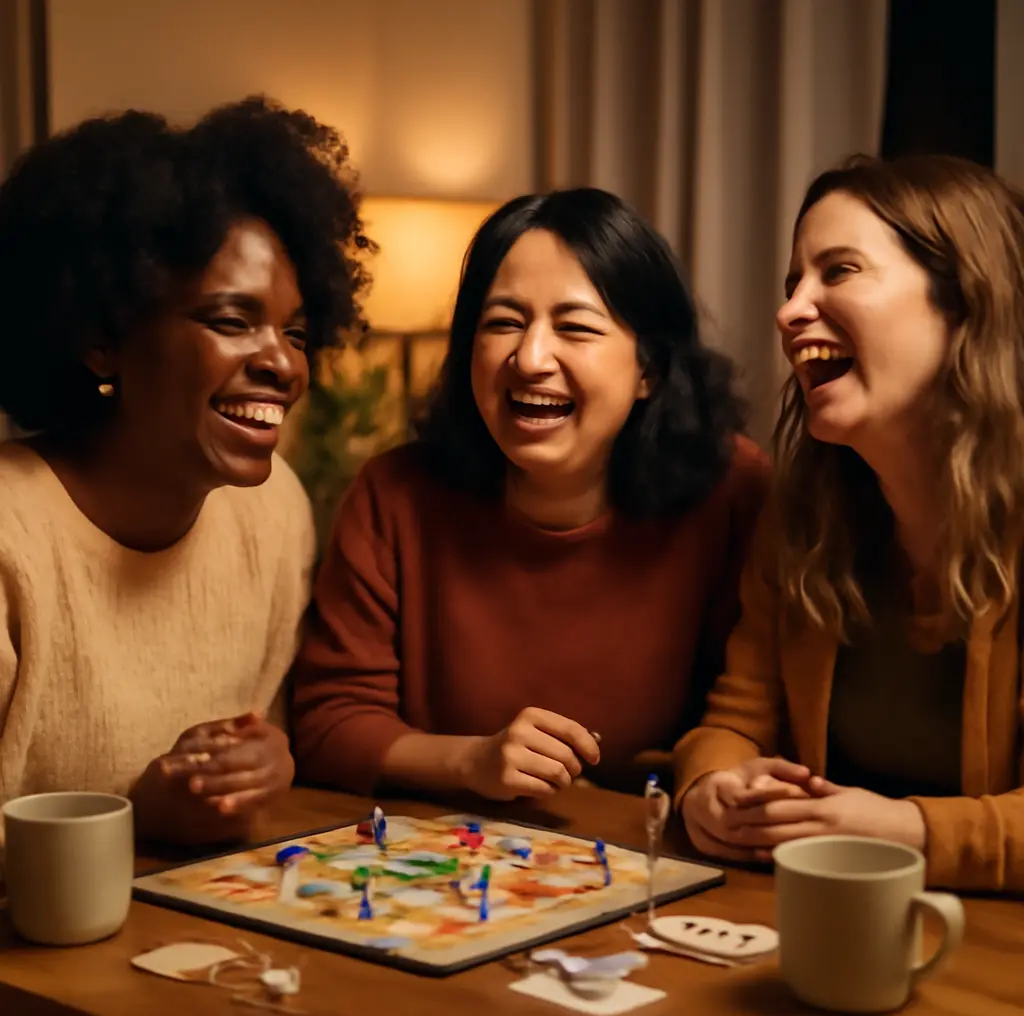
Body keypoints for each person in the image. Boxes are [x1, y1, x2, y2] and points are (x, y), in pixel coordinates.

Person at [290, 187, 770, 801]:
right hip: (453, 861)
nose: (531, 357)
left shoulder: (732, 490)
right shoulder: (395, 495)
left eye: (574, 327)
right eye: (504, 323)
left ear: (647, 368)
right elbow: (331, 722)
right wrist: (471, 762)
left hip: (660, 851)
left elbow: (753, 715)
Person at [0, 96, 369, 845]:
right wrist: (133, 823)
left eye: (295, 332)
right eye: (231, 322)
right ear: (103, 339)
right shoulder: (12, 536)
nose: (280, 363)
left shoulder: (273, 514)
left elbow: (266, 737)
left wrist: (269, 760)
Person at [677, 154, 1024, 891]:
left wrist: (908, 831)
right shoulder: (803, 515)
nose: (790, 310)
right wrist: (712, 789)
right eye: (791, 284)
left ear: (964, 300)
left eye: (838, 272)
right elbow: (737, 720)